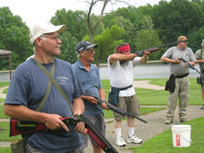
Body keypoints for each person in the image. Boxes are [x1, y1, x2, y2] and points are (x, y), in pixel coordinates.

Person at [4, 23, 87, 153]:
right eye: (54, 38)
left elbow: (77, 99)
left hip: (74, 145)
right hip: (41, 147)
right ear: (39, 41)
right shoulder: (23, 71)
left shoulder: (67, 67)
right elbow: (10, 108)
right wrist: (45, 118)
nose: (59, 41)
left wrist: (77, 117)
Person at [107, 42, 151, 147]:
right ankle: (118, 138)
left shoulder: (131, 60)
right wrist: (128, 56)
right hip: (118, 93)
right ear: (120, 52)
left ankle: (131, 136)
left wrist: (146, 55)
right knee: (118, 117)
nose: (128, 53)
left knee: (132, 114)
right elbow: (113, 57)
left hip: (131, 91)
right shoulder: (113, 60)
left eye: (129, 51)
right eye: (126, 51)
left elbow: (142, 61)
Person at [72, 41, 108, 153]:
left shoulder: (95, 69)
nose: (93, 52)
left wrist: (103, 101)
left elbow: (100, 88)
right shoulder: (72, 69)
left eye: (93, 50)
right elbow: (71, 92)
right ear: (82, 53)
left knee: (99, 143)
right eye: (90, 50)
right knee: (79, 145)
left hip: (98, 112)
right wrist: (87, 98)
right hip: (83, 114)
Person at [161, 36, 196, 124]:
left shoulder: (189, 50)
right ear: (179, 42)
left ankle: (183, 116)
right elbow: (163, 58)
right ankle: (169, 117)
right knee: (172, 98)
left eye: (187, 42)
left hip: (185, 77)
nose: (186, 43)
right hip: (174, 78)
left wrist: (190, 63)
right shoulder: (172, 50)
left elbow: (194, 62)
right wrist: (173, 61)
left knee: (184, 97)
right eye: (184, 42)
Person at [195, 39, 204, 109]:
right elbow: (193, 61)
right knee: (203, 88)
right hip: (203, 72)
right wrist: (202, 61)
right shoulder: (199, 52)